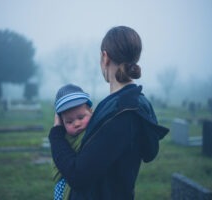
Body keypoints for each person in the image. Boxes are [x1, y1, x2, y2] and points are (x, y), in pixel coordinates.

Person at [49, 26, 169, 200]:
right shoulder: (136, 103)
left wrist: (56, 135)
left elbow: (78, 176)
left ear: (105, 57)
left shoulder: (121, 112)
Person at [51, 84, 93, 200]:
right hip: (63, 184)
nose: (76, 124)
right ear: (61, 123)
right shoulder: (63, 139)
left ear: (91, 111)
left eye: (81, 117)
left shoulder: (94, 134)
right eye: (69, 122)